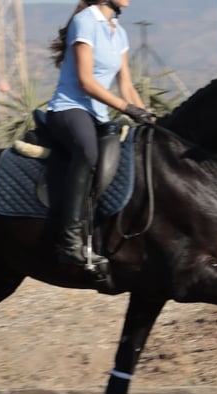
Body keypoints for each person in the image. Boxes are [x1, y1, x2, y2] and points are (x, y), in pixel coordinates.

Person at [47, 0, 155, 267]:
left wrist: (148, 119)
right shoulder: (85, 21)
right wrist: (126, 108)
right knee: (88, 151)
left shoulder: (118, 31)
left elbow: (126, 85)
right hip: (69, 108)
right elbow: (86, 81)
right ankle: (69, 242)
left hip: (99, 116)